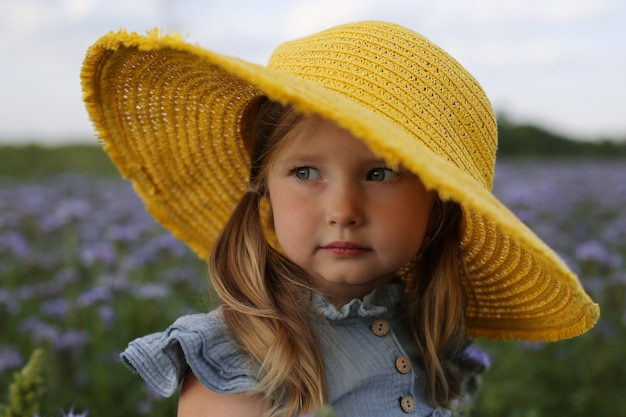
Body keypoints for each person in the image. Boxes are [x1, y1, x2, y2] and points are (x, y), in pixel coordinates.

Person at [81, 21, 599, 417]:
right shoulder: (238, 360)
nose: (343, 212)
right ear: (264, 189)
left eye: (381, 174)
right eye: (306, 171)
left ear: (438, 206)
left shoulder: (427, 338)